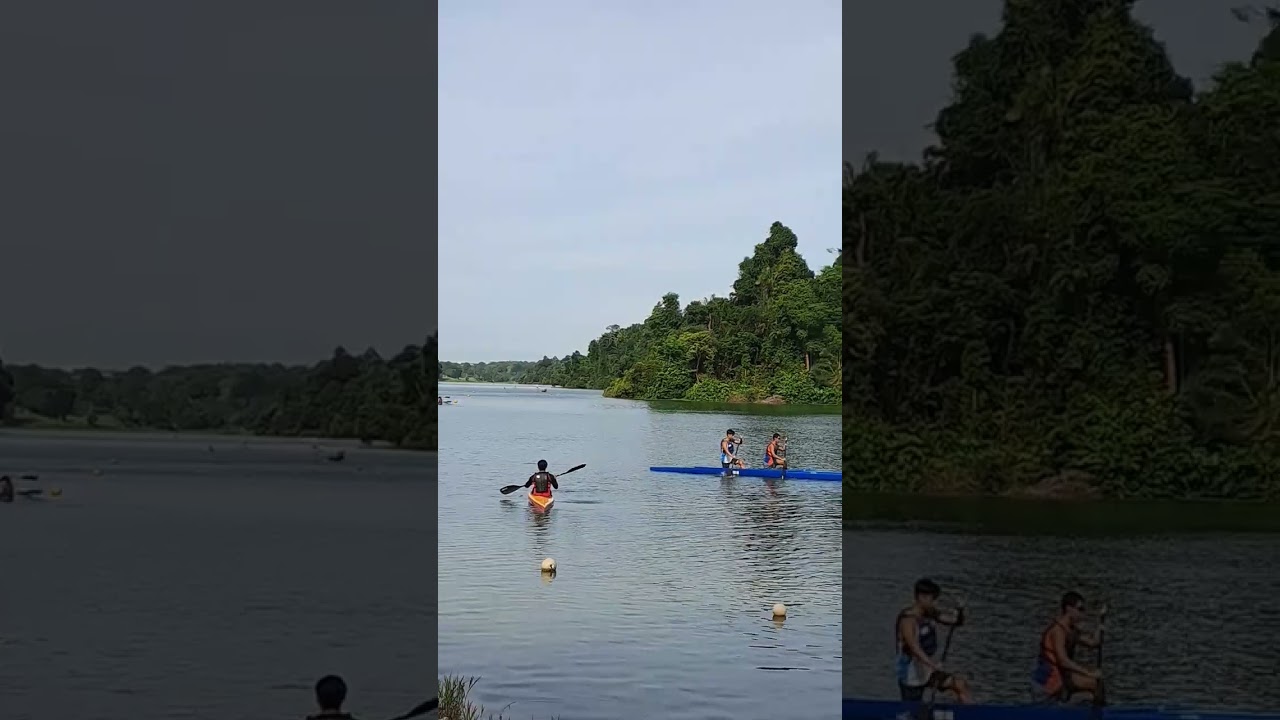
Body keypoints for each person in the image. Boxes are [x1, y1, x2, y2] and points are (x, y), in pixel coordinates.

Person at [895, 578, 972, 703]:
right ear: (921, 597)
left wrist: (960, 611)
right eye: (933, 599)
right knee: (912, 710)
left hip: (927, 670)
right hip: (911, 674)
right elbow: (914, 648)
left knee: (959, 684)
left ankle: (969, 714)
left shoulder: (930, 613)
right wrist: (933, 665)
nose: (935, 603)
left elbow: (955, 622)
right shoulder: (908, 620)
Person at [1032, 592, 1107, 706]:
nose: (1082, 613)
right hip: (1047, 686)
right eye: (1080, 609)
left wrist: (1100, 624)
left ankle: (1098, 712)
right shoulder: (1058, 631)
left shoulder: (1071, 631)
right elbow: (1063, 660)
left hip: (1062, 681)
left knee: (1096, 685)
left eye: (1083, 609)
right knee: (1093, 683)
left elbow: (1093, 643)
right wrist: (1088, 673)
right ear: (1069, 609)